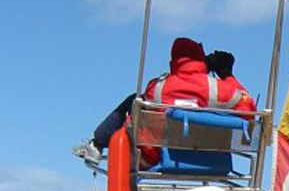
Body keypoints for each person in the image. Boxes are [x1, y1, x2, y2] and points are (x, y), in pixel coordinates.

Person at [72, 38, 253, 166]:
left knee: (133, 100)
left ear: (172, 61)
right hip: (211, 159)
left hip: (157, 156)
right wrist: (227, 74)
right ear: (202, 61)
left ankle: (97, 144)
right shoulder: (220, 89)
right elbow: (249, 110)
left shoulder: (157, 87)